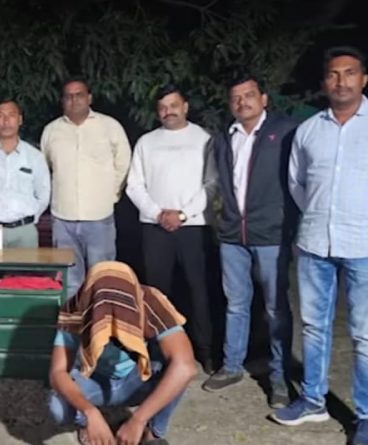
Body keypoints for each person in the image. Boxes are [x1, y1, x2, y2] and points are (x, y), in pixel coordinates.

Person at [271, 46, 368, 443]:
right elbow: (297, 184)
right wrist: (317, 213)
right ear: (325, 82)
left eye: (349, 72)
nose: (341, 81)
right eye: (333, 74)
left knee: (364, 335)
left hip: (363, 244)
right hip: (314, 243)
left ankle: (365, 415)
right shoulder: (309, 130)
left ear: (364, 79)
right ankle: (313, 400)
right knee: (313, 327)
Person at [201, 73, 297, 410]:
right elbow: (217, 184)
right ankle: (232, 365)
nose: (243, 102)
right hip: (232, 235)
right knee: (236, 303)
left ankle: (280, 376)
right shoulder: (224, 139)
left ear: (264, 98)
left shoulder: (285, 132)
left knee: (275, 307)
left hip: (271, 234)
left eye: (249, 95)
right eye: (236, 98)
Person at [48, 261, 196, 445]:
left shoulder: (151, 302)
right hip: (94, 379)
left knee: (176, 372)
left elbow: (186, 367)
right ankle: (89, 425)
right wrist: (90, 413)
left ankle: (153, 432)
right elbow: (57, 372)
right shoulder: (76, 307)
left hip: (138, 376)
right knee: (58, 407)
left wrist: (138, 420)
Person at [126, 85, 217, 374]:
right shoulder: (146, 142)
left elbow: (212, 184)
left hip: (193, 226)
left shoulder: (204, 139)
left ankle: (205, 351)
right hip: (155, 227)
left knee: (198, 290)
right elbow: (134, 185)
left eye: (174, 105)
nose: (169, 112)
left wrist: (183, 214)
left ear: (185, 106)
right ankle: (157, 352)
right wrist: (157, 213)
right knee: (156, 293)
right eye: (163, 107)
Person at [0, 99, 50, 359]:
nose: (6, 120)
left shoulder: (34, 156)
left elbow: (44, 194)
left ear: (20, 119)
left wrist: (26, 220)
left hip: (24, 231)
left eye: (11, 115)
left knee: (25, 285)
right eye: (0, 115)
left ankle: (19, 337)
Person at [40, 77, 131, 299]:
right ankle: (73, 322)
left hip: (99, 217)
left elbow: (123, 163)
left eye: (79, 94)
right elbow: (45, 168)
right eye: (68, 96)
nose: (74, 100)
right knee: (71, 282)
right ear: (62, 101)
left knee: (102, 280)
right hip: (63, 219)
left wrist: (111, 195)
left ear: (89, 98)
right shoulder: (51, 131)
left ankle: (101, 323)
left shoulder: (109, 127)